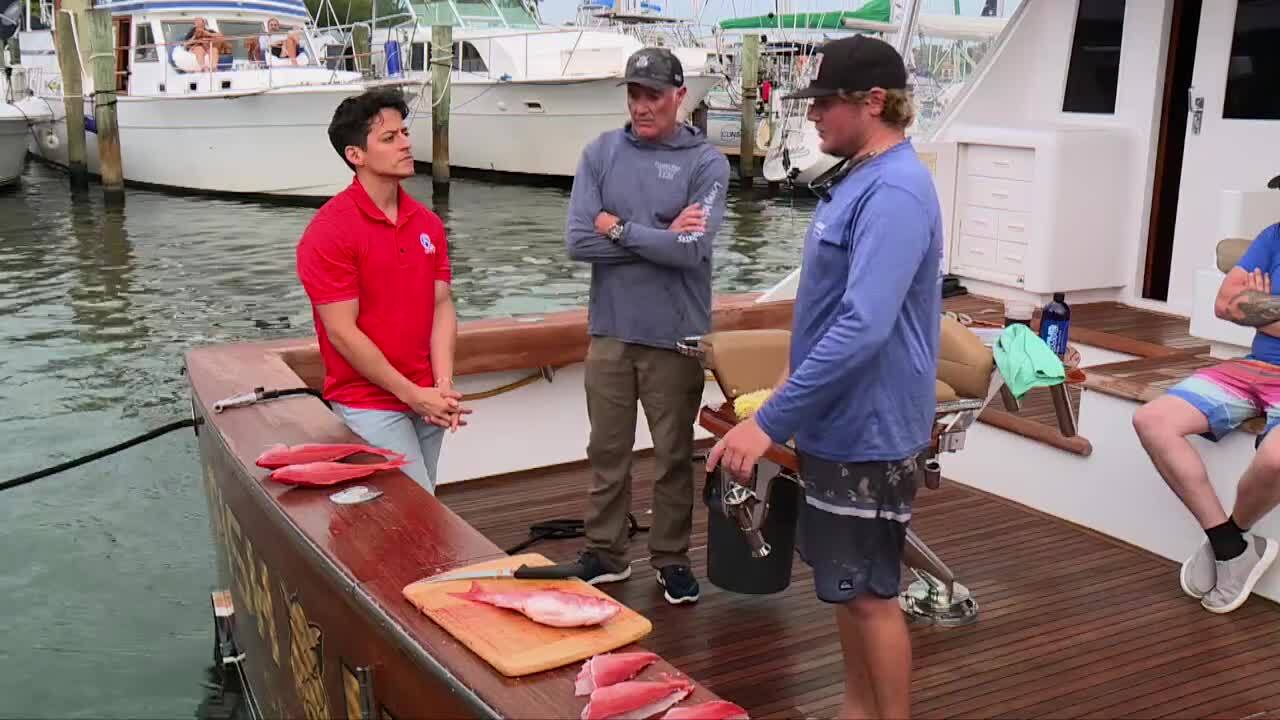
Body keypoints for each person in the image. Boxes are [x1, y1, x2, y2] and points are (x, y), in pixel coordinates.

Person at [706, 35, 942, 719]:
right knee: (846, 586)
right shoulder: (859, 179)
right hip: (837, 421)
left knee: (872, 595)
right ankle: (856, 711)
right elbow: (828, 308)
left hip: (870, 429)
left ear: (873, 102)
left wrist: (768, 424)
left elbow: (865, 326)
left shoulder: (895, 190)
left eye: (825, 104)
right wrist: (783, 389)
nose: (811, 116)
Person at [554, 47, 730, 605]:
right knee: (606, 451)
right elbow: (578, 238)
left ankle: (672, 558)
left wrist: (619, 229)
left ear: (680, 95)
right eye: (634, 93)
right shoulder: (600, 152)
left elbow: (693, 248)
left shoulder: (707, 163)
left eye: (653, 94)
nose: (642, 105)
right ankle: (606, 554)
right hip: (610, 331)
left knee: (674, 456)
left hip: (675, 336)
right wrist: (656, 232)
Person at [295, 88, 468, 493]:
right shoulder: (330, 231)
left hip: (427, 397)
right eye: (389, 138)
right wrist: (413, 394)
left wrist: (441, 386)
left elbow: (441, 305)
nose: (406, 143)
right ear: (356, 155)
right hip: (369, 404)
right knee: (417, 509)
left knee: (422, 505)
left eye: (404, 133)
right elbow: (342, 332)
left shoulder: (427, 223)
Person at [1133, 225, 1280, 614]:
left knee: (1276, 458)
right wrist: (1247, 306)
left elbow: (1246, 308)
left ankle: (1230, 541)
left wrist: (1264, 305)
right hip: (1255, 367)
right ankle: (1230, 548)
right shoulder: (1273, 237)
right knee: (1153, 420)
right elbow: (1226, 304)